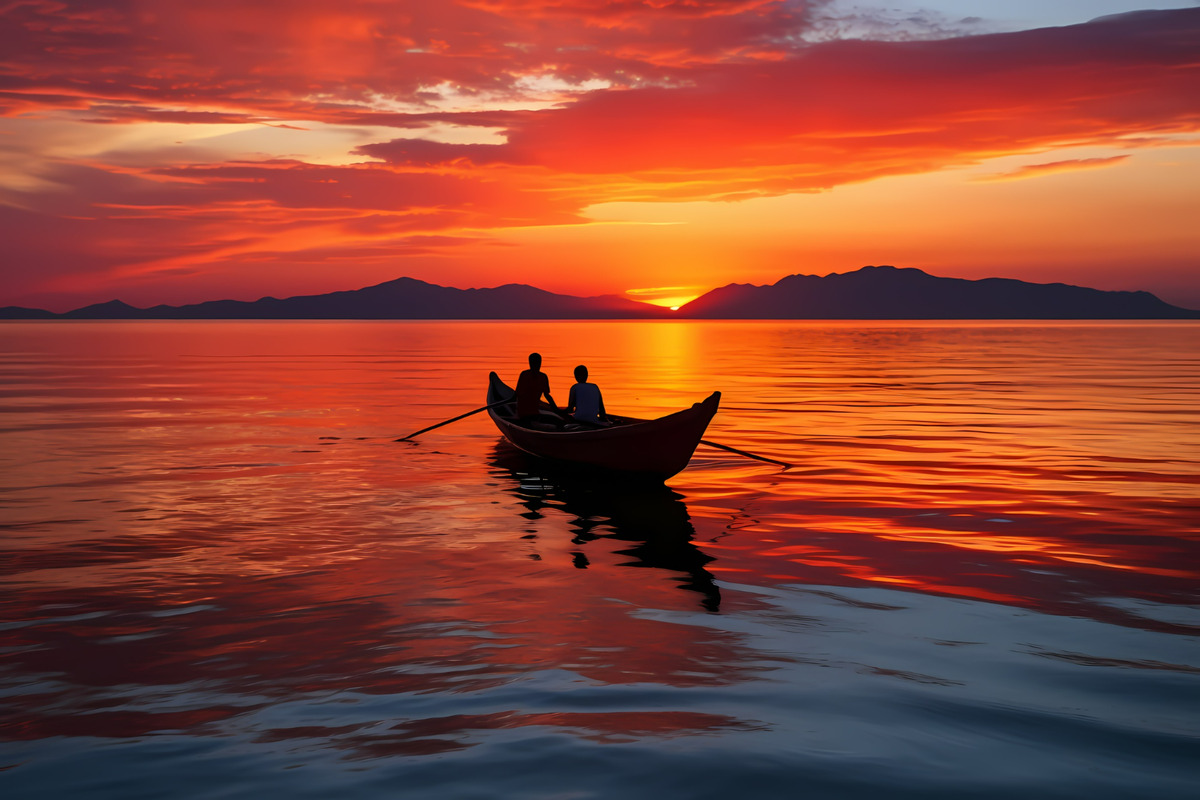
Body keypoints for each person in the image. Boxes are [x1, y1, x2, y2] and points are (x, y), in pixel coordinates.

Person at [515, 352, 560, 425]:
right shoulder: (539, 376)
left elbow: (516, 394)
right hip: (526, 414)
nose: (537, 365)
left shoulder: (527, 374)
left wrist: (556, 409)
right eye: (536, 363)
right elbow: (547, 395)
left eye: (538, 363)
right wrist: (556, 409)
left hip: (533, 413)